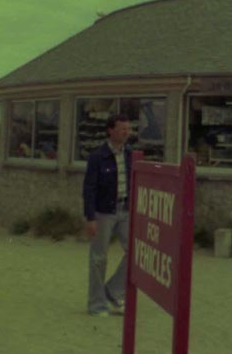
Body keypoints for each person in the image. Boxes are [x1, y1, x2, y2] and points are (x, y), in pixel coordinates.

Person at [82, 114, 132, 317]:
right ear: (110, 130)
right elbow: (89, 188)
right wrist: (90, 218)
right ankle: (96, 305)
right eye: (122, 128)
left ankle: (113, 291)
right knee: (99, 258)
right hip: (103, 212)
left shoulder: (130, 155)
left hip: (126, 210)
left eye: (128, 129)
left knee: (135, 253)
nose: (126, 132)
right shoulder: (97, 157)